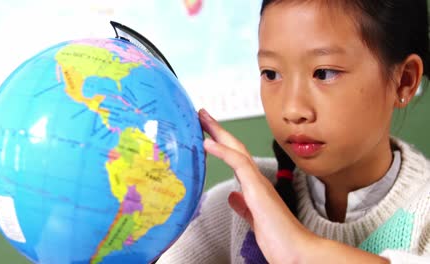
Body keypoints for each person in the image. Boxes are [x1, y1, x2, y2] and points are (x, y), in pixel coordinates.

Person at [157, 0, 430, 263]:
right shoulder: (237, 205)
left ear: (404, 81)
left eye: (323, 73)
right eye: (271, 74)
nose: (292, 109)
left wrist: (301, 251)